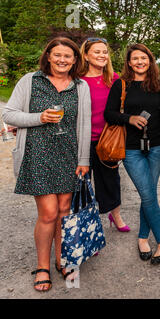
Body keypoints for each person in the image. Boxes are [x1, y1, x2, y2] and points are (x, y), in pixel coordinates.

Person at [2, 37, 91, 292]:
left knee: (65, 211)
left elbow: (83, 125)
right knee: (48, 213)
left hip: (69, 155)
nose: (62, 60)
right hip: (38, 153)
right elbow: (8, 114)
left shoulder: (80, 86)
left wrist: (84, 159)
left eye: (68, 56)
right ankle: (42, 266)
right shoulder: (31, 80)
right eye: (57, 55)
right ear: (49, 56)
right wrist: (39, 117)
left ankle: (62, 259)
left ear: (75, 60)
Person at [104, 44, 160, 264]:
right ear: (129, 63)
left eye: (144, 58)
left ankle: (143, 237)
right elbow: (109, 113)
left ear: (150, 61)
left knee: (147, 193)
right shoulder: (121, 84)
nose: (140, 62)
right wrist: (129, 118)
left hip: (156, 146)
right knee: (148, 194)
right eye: (135, 59)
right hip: (131, 148)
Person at [79, 37, 129, 232]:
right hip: (82, 141)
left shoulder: (114, 79)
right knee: (82, 185)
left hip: (108, 140)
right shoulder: (78, 80)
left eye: (104, 52)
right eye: (97, 52)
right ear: (85, 55)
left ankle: (114, 214)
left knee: (110, 180)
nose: (102, 55)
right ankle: (89, 230)